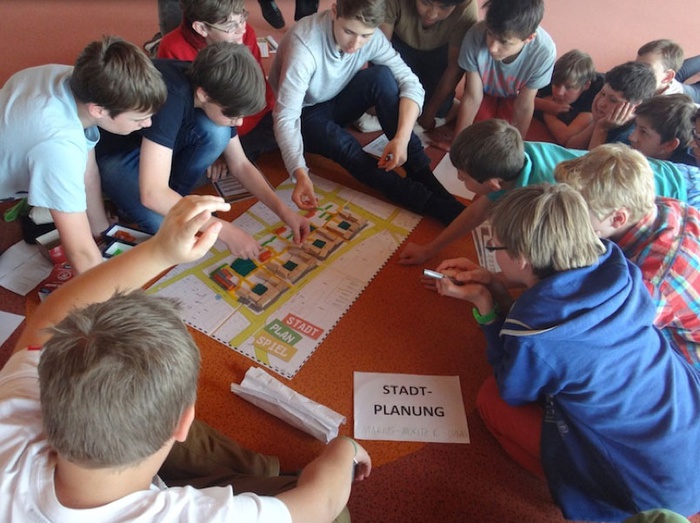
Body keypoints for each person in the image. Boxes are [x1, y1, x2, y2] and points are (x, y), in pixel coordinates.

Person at [0, 194, 371, 522]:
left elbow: (51, 316)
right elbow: (322, 504)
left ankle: (258, 470)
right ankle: (258, 473)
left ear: (46, 396)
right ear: (183, 424)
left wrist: (160, 250)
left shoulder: (11, 424)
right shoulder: (193, 515)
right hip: (170, 482)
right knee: (338, 516)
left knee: (146, 401)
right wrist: (346, 449)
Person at [432, 183, 700, 521]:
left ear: (521, 258)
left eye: (494, 246)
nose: (493, 253)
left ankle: (583, 493)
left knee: (490, 400)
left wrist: (485, 306)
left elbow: (512, 389)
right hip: (689, 433)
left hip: (650, 494)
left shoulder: (535, 337)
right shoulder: (622, 271)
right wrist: (495, 283)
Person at [96, 42, 309, 259]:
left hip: (154, 146)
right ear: (203, 94)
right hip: (117, 154)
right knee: (170, 230)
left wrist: (284, 212)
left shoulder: (217, 84)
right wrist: (226, 231)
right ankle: (130, 204)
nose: (239, 122)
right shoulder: (171, 97)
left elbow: (240, 164)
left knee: (219, 132)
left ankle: (177, 198)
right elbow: (152, 194)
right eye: (233, 115)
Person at [268, 0, 465, 224]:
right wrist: (299, 171)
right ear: (334, 11)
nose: (355, 44)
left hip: (336, 97)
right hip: (305, 114)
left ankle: (421, 172)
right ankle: (427, 202)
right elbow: (286, 117)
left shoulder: (372, 37)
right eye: (348, 31)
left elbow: (410, 82)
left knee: (382, 77)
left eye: (365, 35)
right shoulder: (304, 46)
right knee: (345, 147)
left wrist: (401, 138)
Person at [399, 119, 698, 265]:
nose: (458, 180)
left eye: (462, 177)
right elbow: (479, 209)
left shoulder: (542, 197)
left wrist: (494, 284)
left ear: (493, 184)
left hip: (679, 193)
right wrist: (430, 249)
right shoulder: (513, 154)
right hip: (655, 174)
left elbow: (565, 256)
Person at [0, 36, 166, 274]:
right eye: (138, 118)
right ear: (98, 110)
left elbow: (88, 174)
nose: (148, 124)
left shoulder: (74, 80)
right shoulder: (59, 148)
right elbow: (81, 253)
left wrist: (100, 229)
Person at [554, 143, 700, 369]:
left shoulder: (651, 280)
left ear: (618, 218)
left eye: (578, 213)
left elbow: (604, 334)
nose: (569, 219)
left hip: (685, 359)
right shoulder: (659, 206)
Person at [157, 0, 277, 163]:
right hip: (212, 120)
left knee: (284, 129)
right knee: (208, 143)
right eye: (230, 25)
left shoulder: (244, 33)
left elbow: (255, 92)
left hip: (242, 116)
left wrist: (228, 147)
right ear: (202, 28)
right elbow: (180, 111)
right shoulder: (173, 47)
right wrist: (220, 149)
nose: (241, 29)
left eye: (243, 18)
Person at [449, 0, 556, 141]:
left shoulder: (544, 52)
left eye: (504, 42)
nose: (492, 47)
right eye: (489, 34)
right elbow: (472, 96)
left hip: (514, 96)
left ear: (529, 38)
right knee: (479, 130)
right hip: (484, 93)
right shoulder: (475, 35)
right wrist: (457, 142)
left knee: (503, 134)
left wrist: (517, 147)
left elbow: (524, 105)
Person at [378, 0, 478, 131]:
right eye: (425, 3)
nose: (432, 14)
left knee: (440, 110)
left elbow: (454, 68)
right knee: (386, 103)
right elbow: (381, 50)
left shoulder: (467, 7)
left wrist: (430, 112)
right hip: (397, 47)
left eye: (444, 7)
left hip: (439, 52)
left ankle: (449, 104)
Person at [566, 61, 657, 150]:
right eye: (602, 94)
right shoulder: (606, 119)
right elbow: (571, 148)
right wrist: (596, 122)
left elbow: (595, 160)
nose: (601, 103)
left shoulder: (631, 138)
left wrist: (602, 129)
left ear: (635, 107)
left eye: (613, 100)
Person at [534, 49, 604, 145]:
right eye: (556, 85)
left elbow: (565, 138)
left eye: (568, 87)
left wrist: (547, 111)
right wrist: (545, 104)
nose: (559, 92)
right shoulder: (551, 77)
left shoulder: (596, 93)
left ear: (586, 85)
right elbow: (518, 97)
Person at [629, 93, 697, 166]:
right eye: (635, 126)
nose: (631, 137)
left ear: (670, 145)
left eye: (643, 132)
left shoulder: (681, 170)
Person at [636, 39, 700, 103]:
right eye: (636, 65)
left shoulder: (671, 103)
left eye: (648, 68)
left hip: (679, 92)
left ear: (667, 77)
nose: (637, 71)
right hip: (665, 80)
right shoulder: (662, 75)